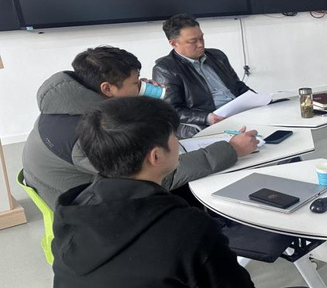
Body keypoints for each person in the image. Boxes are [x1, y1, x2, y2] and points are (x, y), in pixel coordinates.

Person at [52, 96, 322, 288]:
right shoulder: (185, 226)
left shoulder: (73, 208)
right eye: (175, 136)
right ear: (156, 156)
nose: (179, 142)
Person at [21, 46, 258, 208]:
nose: (141, 86)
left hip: (79, 183)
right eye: (135, 83)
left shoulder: (69, 101)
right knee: (189, 189)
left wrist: (143, 98)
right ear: (107, 89)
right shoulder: (90, 134)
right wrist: (231, 150)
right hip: (87, 206)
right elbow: (157, 175)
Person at [154, 13, 251, 138]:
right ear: (173, 43)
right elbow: (171, 111)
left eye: (201, 38)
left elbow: (237, 85)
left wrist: (258, 99)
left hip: (239, 111)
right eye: (193, 41)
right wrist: (206, 117)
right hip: (213, 120)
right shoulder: (165, 69)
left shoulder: (217, 56)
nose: (200, 44)